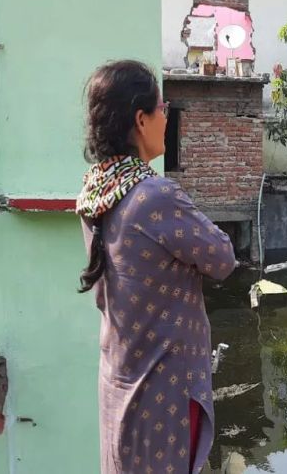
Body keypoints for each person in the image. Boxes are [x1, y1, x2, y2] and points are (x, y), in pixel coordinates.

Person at [75, 60, 236, 473]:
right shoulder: (155, 197)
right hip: (163, 388)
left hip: (119, 380)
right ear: (141, 119)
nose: (168, 118)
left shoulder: (96, 192)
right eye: (163, 109)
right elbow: (222, 258)